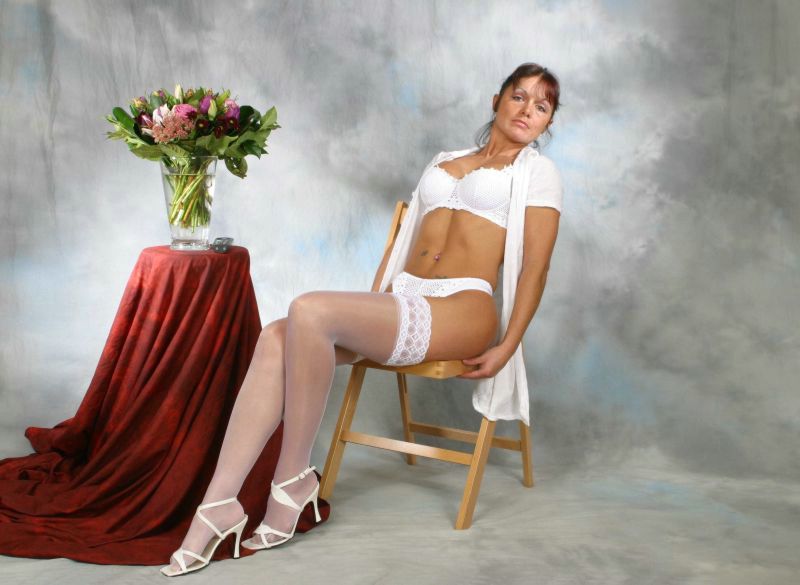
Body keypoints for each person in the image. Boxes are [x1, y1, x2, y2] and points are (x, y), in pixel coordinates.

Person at [161, 61, 563, 576]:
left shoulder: (537, 173)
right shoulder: (446, 160)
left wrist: (508, 346)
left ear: (548, 122)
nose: (527, 110)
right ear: (497, 100)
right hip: (406, 297)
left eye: (541, 106)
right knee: (278, 336)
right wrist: (375, 303)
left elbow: (536, 266)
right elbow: (405, 240)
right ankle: (219, 504)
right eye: (519, 96)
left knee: (309, 308)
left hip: (463, 307)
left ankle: (292, 480)